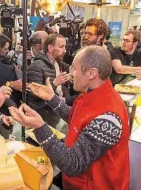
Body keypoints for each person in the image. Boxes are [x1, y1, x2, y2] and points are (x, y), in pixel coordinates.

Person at [10, 45, 130, 190]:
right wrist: (52, 98)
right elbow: (77, 118)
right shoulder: (92, 94)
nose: (71, 73)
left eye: (74, 68)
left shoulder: (108, 117)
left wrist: (40, 128)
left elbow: (73, 164)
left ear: (91, 74)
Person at [27, 34, 70, 127]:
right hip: (44, 118)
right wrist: (54, 83)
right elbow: (33, 95)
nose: (65, 51)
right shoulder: (36, 66)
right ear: (50, 48)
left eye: (65, 47)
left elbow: (62, 89)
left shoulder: (59, 64)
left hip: (57, 113)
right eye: (61, 47)